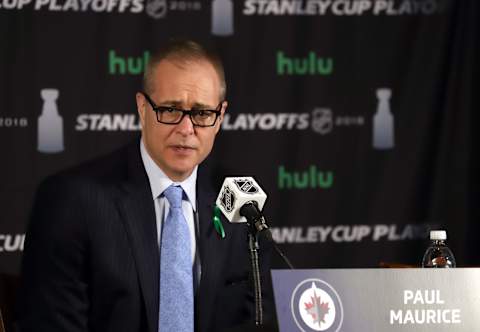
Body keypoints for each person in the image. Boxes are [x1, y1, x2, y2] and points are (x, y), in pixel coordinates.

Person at [18, 39, 274, 332]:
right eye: (169, 109)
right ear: (142, 107)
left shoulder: (243, 203)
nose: (186, 129)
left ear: (220, 117)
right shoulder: (70, 200)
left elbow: (254, 320)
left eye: (202, 114)